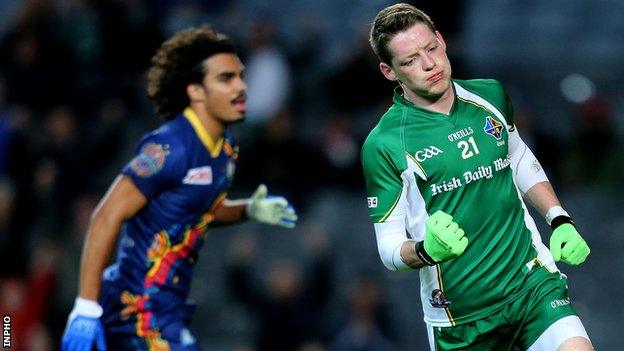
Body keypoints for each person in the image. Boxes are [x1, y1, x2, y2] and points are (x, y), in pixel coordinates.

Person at [361, 4, 592, 351]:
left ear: (442, 40)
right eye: (409, 60)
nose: (429, 64)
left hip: (531, 285)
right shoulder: (385, 144)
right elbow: (388, 248)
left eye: (431, 48)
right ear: (389, 71)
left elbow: (517, 156)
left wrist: (558, 218)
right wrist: (426, 251)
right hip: (460, 319)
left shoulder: (490, 95)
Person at [61, 26, 298, 351]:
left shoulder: (226, 149)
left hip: (167, 307)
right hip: (137, 307)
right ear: (196, 91)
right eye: (226, 79)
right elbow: (106, 215)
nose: (242, 87)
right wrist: (86, 307)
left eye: (241, 76)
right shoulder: (171, 149)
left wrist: (247, 210)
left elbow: (195, 212)